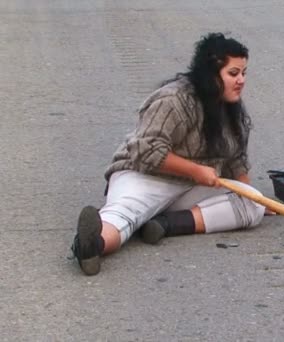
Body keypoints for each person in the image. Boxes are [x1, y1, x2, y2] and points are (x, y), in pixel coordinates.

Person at [71, 32, 268, 276]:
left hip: (189, 187)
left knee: (252, 204)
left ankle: (163, 224)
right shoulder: (174, 99)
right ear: (211, 74)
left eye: (243, 73)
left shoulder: (228, 105)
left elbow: (235, 158)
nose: (241, 80)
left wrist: (259, 199)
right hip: (144, 176)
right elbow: (145, 150)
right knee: (123, 215)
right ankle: (91, 246)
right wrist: (195, 170)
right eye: (233, 73)